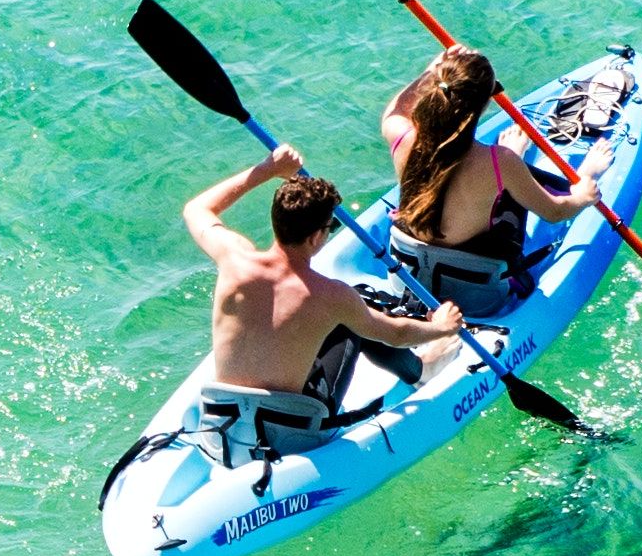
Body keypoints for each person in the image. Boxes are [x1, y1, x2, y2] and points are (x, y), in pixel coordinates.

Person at [181, 151, 460, 396]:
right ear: (316, 237)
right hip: (291, 429)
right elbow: (395, 335)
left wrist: (268, 169)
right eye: (331, 227)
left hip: (223, 416)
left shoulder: (233, 258)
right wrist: (441, 327)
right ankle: (422, 370)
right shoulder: (331, 297)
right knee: (352, 320)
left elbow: (196, 209)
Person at [379, 45, 594, 312]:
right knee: (510, 196)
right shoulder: (498, 161)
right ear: (485, 103)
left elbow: (396, 109)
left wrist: (430, 71)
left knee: (502, 183)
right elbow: (554, 212)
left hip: (406, 280)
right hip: (475, 296)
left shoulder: (400, 136)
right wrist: (584, 192)